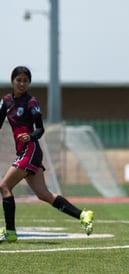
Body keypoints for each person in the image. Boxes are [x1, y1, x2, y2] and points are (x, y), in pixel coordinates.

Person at [0, 66, 94, 242]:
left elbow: (40, 129)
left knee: (4, 186)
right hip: (24, 152)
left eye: (25, 81)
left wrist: (30, 135)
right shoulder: (5, 101)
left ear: (29, 83)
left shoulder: (31, 102)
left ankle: (11, 233)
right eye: (18, 80)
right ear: (12, 80)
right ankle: (83, 215)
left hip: (31, 150)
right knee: (44, 195)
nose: (22, 83)